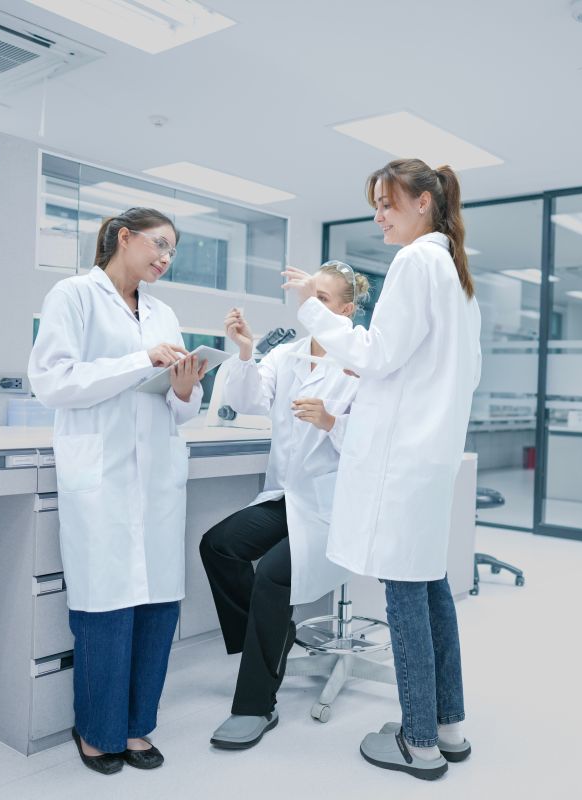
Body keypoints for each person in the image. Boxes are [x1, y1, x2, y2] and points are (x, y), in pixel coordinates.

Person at [282, 159, 482, 781]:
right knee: (429, 588)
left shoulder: (417, 262)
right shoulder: (452, 270)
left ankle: (418, 745)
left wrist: (313, 310)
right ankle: (446, 727)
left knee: (404, 593)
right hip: (426, 455)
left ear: (423, 202)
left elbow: (379, 354)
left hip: (403, 461)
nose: (380, 217)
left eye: (388, 203)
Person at [28, 207, 209, 775]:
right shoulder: (74, 295)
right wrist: (139, 360)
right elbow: (52, 382)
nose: (165, 257)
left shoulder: (164, 311)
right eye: (159, 244)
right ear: (123, 238)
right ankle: (98, 731)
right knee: (105, 604)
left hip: (155, 474)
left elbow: (183, 409)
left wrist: (184, 389)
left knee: (156, 603)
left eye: (173, 251)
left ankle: (135, 728)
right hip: (101, 473)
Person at [199, 262, 368, 749]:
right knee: (220, 546)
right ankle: (271, 639)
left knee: (273, 577)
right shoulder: (289, 355)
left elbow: (377, 442)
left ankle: (256, 704)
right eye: (307, 294)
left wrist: (332, 421)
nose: (308, 304)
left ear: (344, 310)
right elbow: (249, 400)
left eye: (320, 296)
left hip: (333, 510)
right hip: (287, 497)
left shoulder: (362, 362)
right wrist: (247, 353)